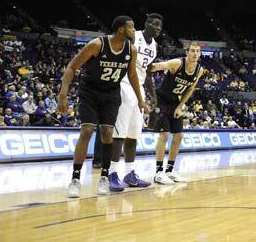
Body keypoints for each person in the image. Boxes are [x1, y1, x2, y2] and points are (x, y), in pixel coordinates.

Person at [57, 16, 149, 198]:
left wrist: (140, 99)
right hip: (90, 93)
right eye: (131, 27)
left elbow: (132, 76)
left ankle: (105, 178)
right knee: (87, 132)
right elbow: (72, 67)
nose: (134, 30)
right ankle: (75, 179)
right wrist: (62, 95)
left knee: (108, 134)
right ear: (121, 29)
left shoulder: (131, 50)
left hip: (111, 95)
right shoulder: (97, 44)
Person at [110, 13, 163, 189]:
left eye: (160, 26)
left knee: (133, 134)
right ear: (146, 24)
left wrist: (153, 95)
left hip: (138, 88)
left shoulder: (155, 46)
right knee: (119, 133)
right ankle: (112, 173)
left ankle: (129, 173)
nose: (158, 28)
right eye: (155, 24)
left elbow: (146, 72)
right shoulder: (133, 36)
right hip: (124, 84)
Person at [149, 42, 203, 184]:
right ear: (187, 52)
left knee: (178, 136)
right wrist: (148, 66)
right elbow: (157, 67)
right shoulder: (177, 63)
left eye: (198, 51)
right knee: (164, 134)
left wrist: (181, 106)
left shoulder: (199, 69)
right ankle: (158, 172)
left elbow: (190, 89)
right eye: (192, 51)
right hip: (161, 100)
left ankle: (170, 171)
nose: (195, 53)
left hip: (175, 103)